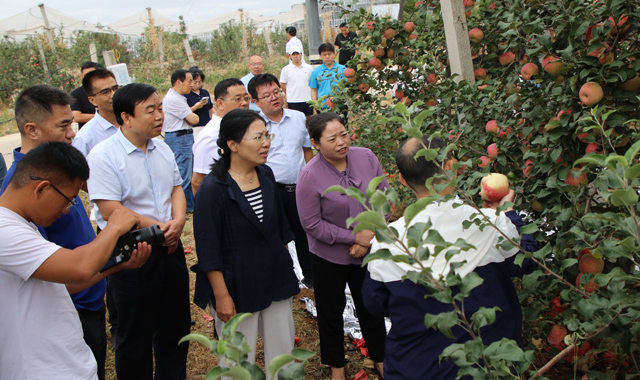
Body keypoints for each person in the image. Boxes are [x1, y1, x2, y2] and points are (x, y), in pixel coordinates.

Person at [362, 134, 538, 380]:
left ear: (401, 180)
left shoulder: (389, 240)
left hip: (417, 367)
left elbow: (374, 303)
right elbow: (527, 261)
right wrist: (508, 215)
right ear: (450, 169)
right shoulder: (491, 225)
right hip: (489, 366)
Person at [0, 141, 150, 380]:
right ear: (41, 189)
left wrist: (119, 265)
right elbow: (79, 268)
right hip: (39, 370)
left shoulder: (23, 225)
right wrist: (113, 226)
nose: (67, 209)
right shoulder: (4, 230)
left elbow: (63, 285)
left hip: (64, 365)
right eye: (68, 199)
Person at [1, 84, 110, 380]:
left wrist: (114, 265)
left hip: (78, 298)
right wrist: (118, 225)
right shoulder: (11, 215)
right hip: (64, 315)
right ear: (32, 130)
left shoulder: (54, 176)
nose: (72, 132)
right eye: (64, 125)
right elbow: (69, 268)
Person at [87, 83, 191, 380]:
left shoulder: (162, 146)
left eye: (160, 108)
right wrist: (161, 228)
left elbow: (176, 187)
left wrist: (179, 221)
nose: (160, 116)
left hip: (169, 247)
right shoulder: (104, 155)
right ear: (126, 117)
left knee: (175, 326)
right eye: (151, 110)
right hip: (132, 251)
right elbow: (111, 210)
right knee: (135, 333)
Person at [192, 108, 299, 374]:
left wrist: (284, 269)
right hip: (236, 283)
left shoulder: (265, 175)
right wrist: (222, 296)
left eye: (267, 135)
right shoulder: (213, 189)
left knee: (282, 353)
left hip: (274, 276)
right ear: (233, 144)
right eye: (258, 137)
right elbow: (208, 249)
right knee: (238, 362)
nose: (266, 143)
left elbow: (278, 230)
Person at [296, 112, 387, 380]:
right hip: (328, 256)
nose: (341, 142)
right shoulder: (309, 175)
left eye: (344, 134)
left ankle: (381, 359)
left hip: (368, 250)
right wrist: (353, 238)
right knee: (330, 312)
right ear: (316, 143)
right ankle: (337, 367)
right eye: (332, 138)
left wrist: (367, 236)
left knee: (371, 307)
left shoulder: (366, 157)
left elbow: (383, 199)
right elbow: (312, 224)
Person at [248, 73, 315, 288]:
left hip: (300, 189)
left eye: (277, 92)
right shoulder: (254, 126)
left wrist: (310, 179)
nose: (274, 97)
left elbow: (307, 151)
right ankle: (283, 278)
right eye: (266, 95)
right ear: (255, 101)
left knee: (304, 232)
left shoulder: (297, 117)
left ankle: (311, 276)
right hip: (270, 190)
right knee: (274, 236)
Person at [192, 78, 250, 195]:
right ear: (220, 103)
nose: (244, 103)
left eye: (246, 98)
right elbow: (198, 181)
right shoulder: (210, 137)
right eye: (237, 99)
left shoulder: (240, 127)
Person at [163, 68, 200, 213]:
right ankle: (185, 208)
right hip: (179, 138)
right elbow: (193, 119)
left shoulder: (178, 98)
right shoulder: (173, 99)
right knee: (183, 174)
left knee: (186, 172)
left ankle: (188, 206)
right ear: (179, 82)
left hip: (182, 137)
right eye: (189, 81)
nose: (192, 84)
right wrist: (192, 115)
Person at [72, 69, 120, 157]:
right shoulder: (85, 138)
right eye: (105, 92)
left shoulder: (133, 122)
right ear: (92, 100)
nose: (113, 95)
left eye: (115, 89)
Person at [309, 43, 346, 109]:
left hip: (340, 106)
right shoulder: (316, 71)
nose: (327, 57)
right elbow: (313, 89)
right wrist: (315, 105)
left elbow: (347, 86)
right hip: (323, 106)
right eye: (324, 54)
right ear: (320, 56)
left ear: (334, 54)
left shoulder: (342, 69)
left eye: (329, 54)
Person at [280, 45, 313, 116]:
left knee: (309, 121)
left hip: (307, 99)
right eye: (293, 54)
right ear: (290, 56)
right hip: (293, 101)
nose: (295, 56)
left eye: (297, 54)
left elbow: (312, 83)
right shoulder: (285, 70)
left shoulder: (308, 68)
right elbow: (283, 85)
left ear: (301, 54)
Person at [71, 61, 103, 129]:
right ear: (82, 76)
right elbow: (77, 117)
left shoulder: (107, 91)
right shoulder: (76, 94)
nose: (89, 78)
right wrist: (100, 116)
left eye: (92, 74)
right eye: (86, 75)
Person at [185, 67, 214, 133]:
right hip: (194, 128)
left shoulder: (205, 92)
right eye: (195, 82)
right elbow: (184, 113)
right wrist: (196, 107)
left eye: (200, 82)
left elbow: (211, 109)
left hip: (207, 126)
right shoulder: (186, 94)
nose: (197, 85)